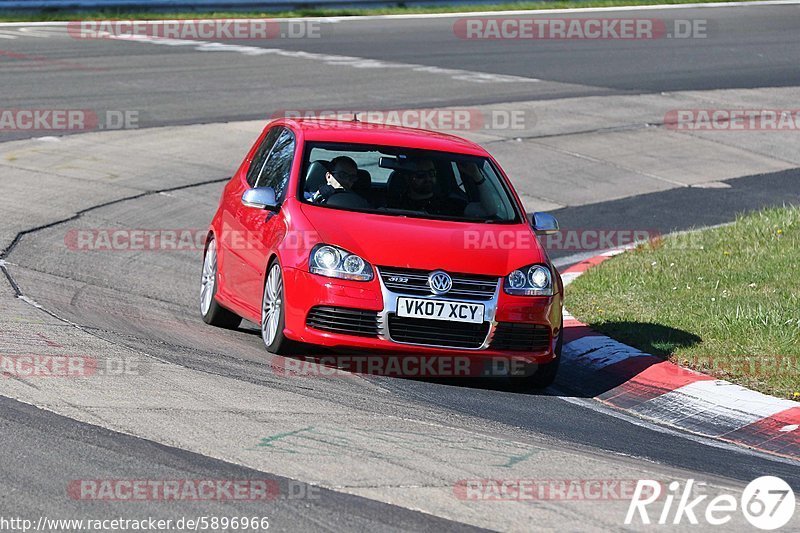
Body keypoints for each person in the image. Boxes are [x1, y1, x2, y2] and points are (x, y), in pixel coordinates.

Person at [395, 159, 463, 216]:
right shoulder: (396, 206)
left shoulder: (450, 206)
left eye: (431, 173)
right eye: (421, 175)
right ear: (407, 178)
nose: (428, 178)